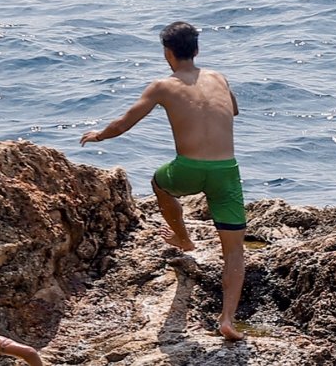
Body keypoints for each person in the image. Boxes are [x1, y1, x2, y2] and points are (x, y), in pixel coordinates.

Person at [79, 21, 247, 341]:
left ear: (167, 53)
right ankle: (227, 319)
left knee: (159, 183)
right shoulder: (220, 78)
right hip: (226, 172)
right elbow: (234, 110)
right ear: (196, 50)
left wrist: (99, 135)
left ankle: (183, 239)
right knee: (235, 252)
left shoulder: (161, 86)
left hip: (187, 170)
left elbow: (125, 123)